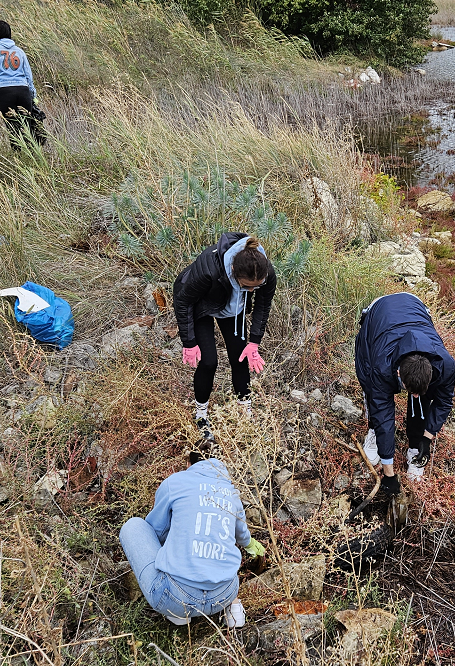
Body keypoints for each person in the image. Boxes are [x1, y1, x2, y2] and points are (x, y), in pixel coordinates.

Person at [118, 451, 265, 627]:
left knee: (133, 525)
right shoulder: (231, 492)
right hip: (223, 595)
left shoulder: (175, 482)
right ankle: (234, 610)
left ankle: (179, 614)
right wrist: (250, 544)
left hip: (174, 598)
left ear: (189, 463)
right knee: (224, 551)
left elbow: (156, 530)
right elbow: (241, 535)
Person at [173, 233, 276, 431]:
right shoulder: (209, 270)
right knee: (209, 361)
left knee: (240, 357)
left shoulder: (265, 272)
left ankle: (244, 412)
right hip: (201, 304)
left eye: (256, 287)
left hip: (231, 307)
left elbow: (263, 306)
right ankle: (201, 414)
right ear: (233, 271)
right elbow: (183, 300)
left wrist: (254, 342)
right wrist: (189, 342)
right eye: (247, 287)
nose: (252, 291)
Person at [355, 292, 455, 493]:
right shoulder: (381, 366)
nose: (414, 397)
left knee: (422, 396)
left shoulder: (445, 365)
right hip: (379, 315)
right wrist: (389, 474)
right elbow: (384, 412)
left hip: (414, 306)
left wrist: (426, 439)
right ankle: (373, 432)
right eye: (410, 391)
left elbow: (444, 402)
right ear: (398, 373)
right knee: (371, 386)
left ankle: (415, 447)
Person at [0, 19, 45, 149]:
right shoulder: (19, 51)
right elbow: (28, 76)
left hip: (3, 92)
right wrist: (33, 95)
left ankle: (18, 155)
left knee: (13, 127)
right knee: (27, 128)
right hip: (23, 91)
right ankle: (33, 155)